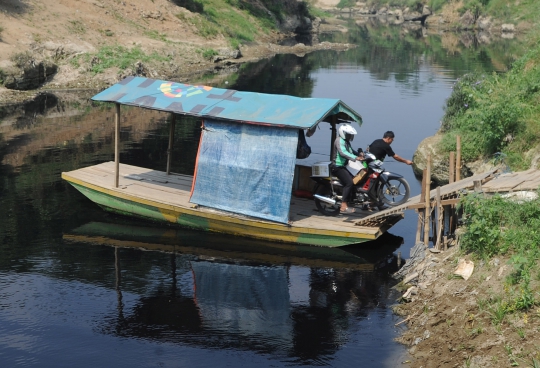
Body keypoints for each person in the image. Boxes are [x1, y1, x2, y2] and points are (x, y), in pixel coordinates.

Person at [332, 124, 363, 214]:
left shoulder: (346, 142)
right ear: (343, 133)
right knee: (349, 182)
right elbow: (343, 153)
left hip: (344, 166)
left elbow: (351, 151)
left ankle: (352, 200)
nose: (350, 137)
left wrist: (360, 155)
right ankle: (343, 205)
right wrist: (355, 158)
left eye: (351, 135)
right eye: (349, 135)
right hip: (337, 166)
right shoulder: (339, 140)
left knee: (355, 179)